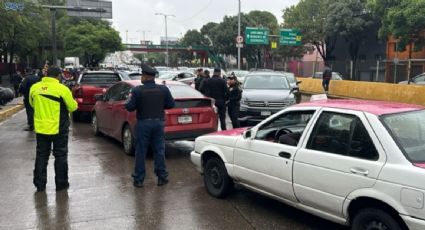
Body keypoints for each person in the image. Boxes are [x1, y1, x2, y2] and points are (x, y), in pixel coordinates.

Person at [125, 64, 175, 188]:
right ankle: (161, 177)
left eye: (142, 75)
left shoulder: (137, 90)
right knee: (159, 150)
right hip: (158, 123)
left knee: (141, 151)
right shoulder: (163, 89)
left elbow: (130, 107)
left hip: (143, 123)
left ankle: (139, 179)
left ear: (147, 77)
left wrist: (128, 100)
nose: (141, 77)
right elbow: (171, 104)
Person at [30, 66, 78, 192]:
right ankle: (61, 184)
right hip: (59, 128)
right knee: (60, 155)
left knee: (41, 155)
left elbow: (32, 104)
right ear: (58, 76)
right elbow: (72, 107)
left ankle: (40, 185)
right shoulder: (62, 89)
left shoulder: (35, 88)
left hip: (41, 128)